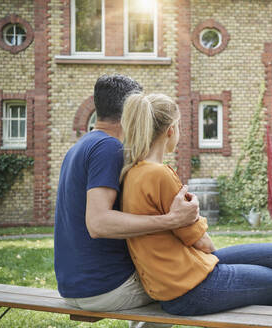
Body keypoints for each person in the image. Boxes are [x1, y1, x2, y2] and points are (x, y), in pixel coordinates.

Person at [120, 93, 272, 328]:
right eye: (178, 126)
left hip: (184, 275)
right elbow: (205, 244)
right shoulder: (160, 174)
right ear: (170, 130)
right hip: (190, 288)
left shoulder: (133, 173)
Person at [53, 75, 199, 319]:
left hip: (72, 287)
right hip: (107, 288)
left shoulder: (80, 146)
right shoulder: (109, 148)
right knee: (182, 280)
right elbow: (98, 223)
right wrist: (172, 220)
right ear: (131, 111)